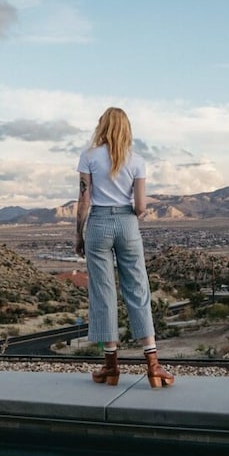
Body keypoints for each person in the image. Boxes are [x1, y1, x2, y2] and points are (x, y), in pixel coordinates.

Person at [75, 107, 174, 389]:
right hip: (128, 224)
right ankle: (153, 366)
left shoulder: (89, 156)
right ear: (127, 129)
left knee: (103, 292)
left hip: (98, 224)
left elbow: (83, 200)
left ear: (102, 126)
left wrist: (78, 235)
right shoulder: (137, 161)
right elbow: (141, 207)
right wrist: (130, 213)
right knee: (138, 289)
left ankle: (111, 367)